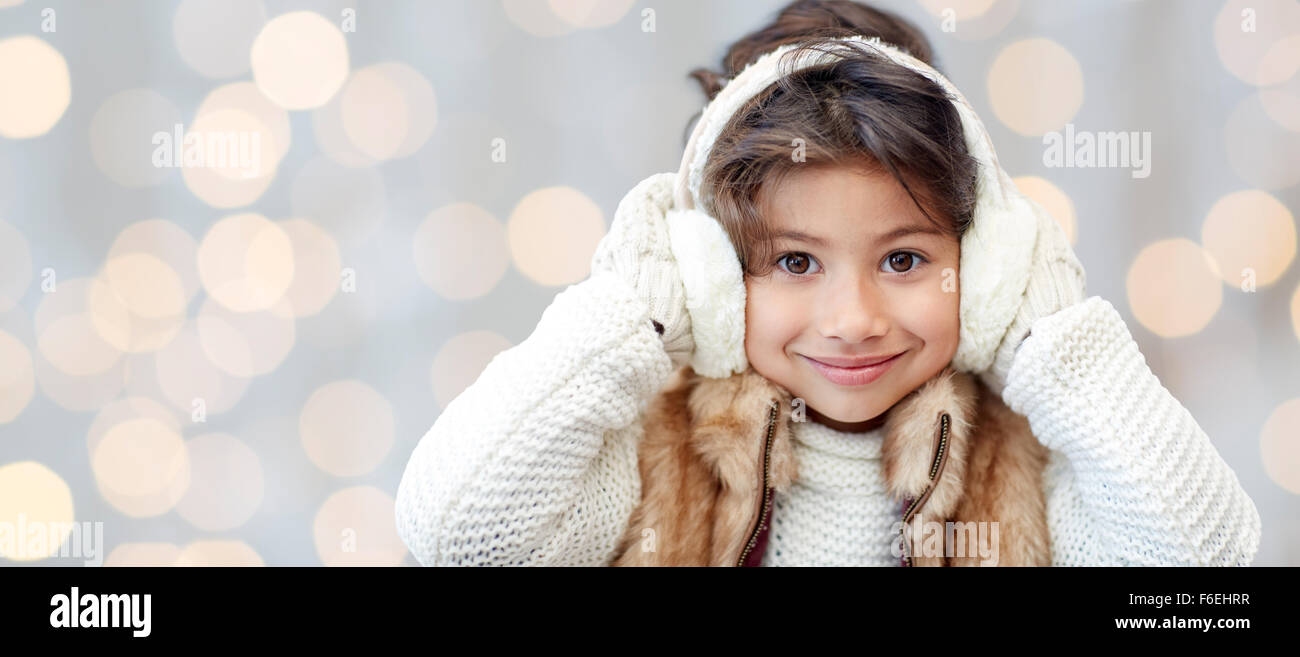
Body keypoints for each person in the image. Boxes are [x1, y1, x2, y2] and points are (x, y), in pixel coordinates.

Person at [394, 0, 1261, 566]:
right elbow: (459, 535)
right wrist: (629, 314)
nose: (853, 320)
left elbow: (1203, 573)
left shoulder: (1033, 462)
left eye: (904, 259)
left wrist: (1052, 339)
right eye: (795, 262)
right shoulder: (652, 453)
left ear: (989, 266)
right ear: (710, 279)